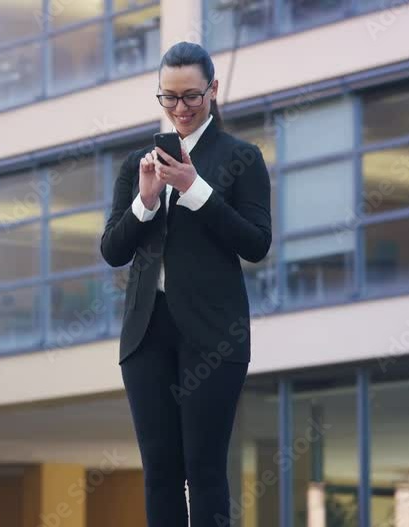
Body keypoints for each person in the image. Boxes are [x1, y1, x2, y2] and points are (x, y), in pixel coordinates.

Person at [100, 41, 272, 526]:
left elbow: (256, 242)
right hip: (146, 332)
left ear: (213, 90)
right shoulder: (139, 163)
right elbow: (113, 249)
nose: (180, 109)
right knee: (159, 470)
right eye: (169, 98)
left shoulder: (243, 157)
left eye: (192, 97)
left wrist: (196, 189)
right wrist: (147, 201)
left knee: (205, 469)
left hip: (214, 335)